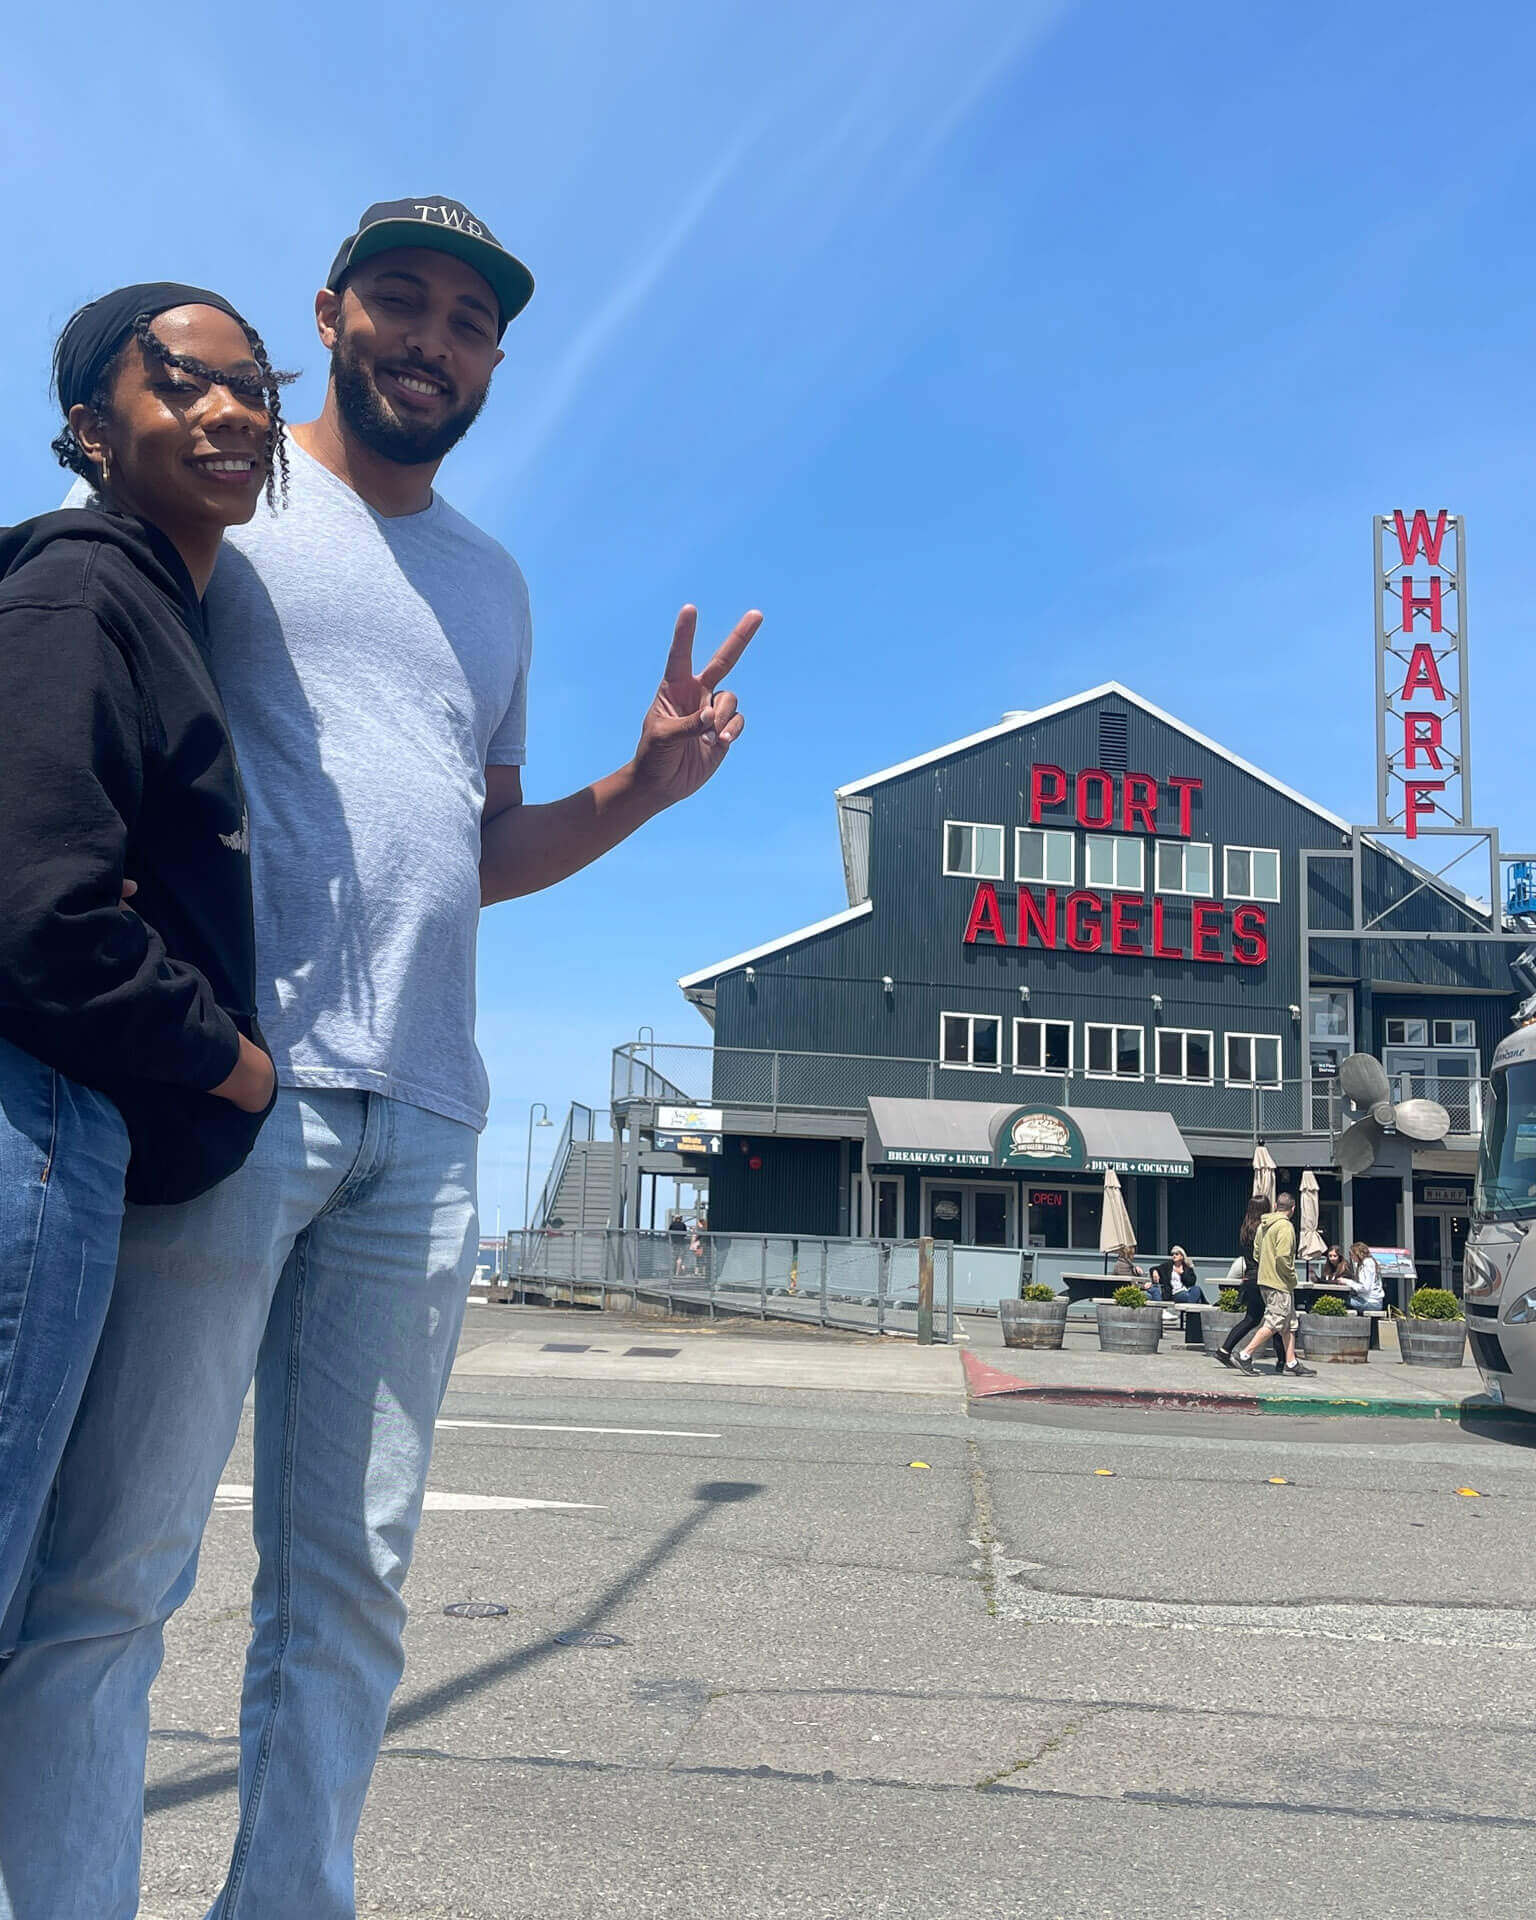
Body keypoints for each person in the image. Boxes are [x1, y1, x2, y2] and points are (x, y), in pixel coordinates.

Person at [0, 199, 759, 1920]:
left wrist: (639, 794)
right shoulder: (227, 499)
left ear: (496, 361)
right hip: (232, 1098)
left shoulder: (492, 584)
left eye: (470, 321)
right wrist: (200, 1049)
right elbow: (69, 691)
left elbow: (473, 845)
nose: (432, 336)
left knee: (351, 1586)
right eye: (399, 300)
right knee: (114, 1570)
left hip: (425, 1125)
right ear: (327, 315)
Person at [0, 285, 284, 1633]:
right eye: (181, 382)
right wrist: (235, 1068)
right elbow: (40, 912)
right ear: (88, 427)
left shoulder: (156, 604)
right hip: (34, 1134)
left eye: (254, 385)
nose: (231, 409)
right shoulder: (85, 587)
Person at [1232, 1192, 1315, 1377]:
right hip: (1280, 1282)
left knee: (1288, 1322)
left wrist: (1267, 1267)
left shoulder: (1264, 1225)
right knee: (1275, 1321)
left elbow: (1257, 1252)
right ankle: (1245, 1355)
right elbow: (1284, 1257)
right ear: (1293, 1208)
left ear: (1276, 1206)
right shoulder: (1285, 1227)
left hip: (1264, 1279)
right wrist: (1292, 1277)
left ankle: (1291, 1362)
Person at [1215, 1199, 1287, 1375]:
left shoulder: (1245, 1228)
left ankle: (1225, 1350)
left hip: (1250, 1276)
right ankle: (1282, 1360)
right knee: (1277, 1317)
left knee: (1252, 1318)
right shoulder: (1262, 1229)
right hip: (1264, 1276)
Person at [1348, 1240, 1384, 1314]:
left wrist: (1349, 1282)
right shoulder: (1365, 1263)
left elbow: (1365, 1288)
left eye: (1352, 1255)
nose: (1351, 1257)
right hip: (1370, 1301)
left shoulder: (1367, 1263)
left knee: (1340, 1300)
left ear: (1358, 1254)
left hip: (1370, 1302)